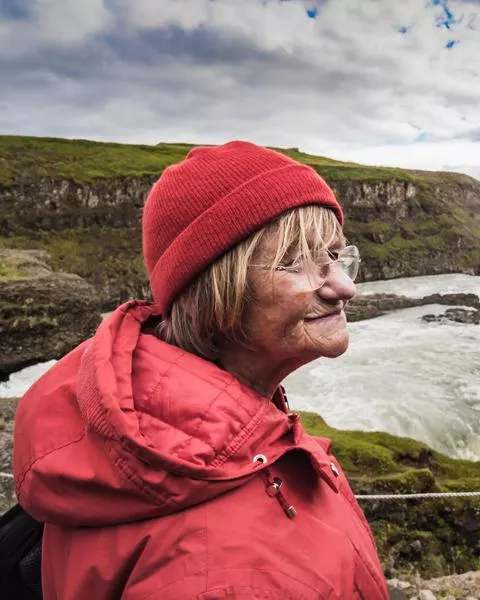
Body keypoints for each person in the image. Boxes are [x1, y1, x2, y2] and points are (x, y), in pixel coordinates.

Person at [12, 141, 390, 599]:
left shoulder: (184, 441)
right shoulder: (222, 568)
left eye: (335, 256)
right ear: (218, 290)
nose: (345, 286)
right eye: (296, 261)